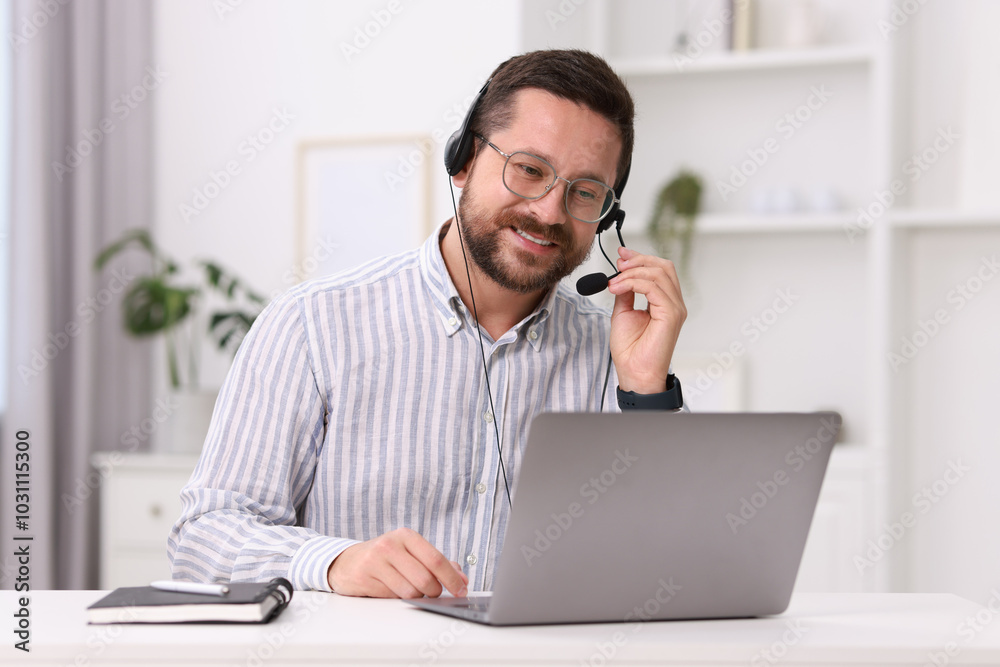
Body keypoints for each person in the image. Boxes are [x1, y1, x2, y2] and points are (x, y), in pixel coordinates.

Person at [167, 49, 687, 599]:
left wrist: (646, 391)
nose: (550, 211)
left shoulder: (617, 356)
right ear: (463, 161)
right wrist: (334, 561)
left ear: (606, 215)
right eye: (530, 170)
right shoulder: (312, 326)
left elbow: (675, 564)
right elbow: (202, 540)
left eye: (584, 191)